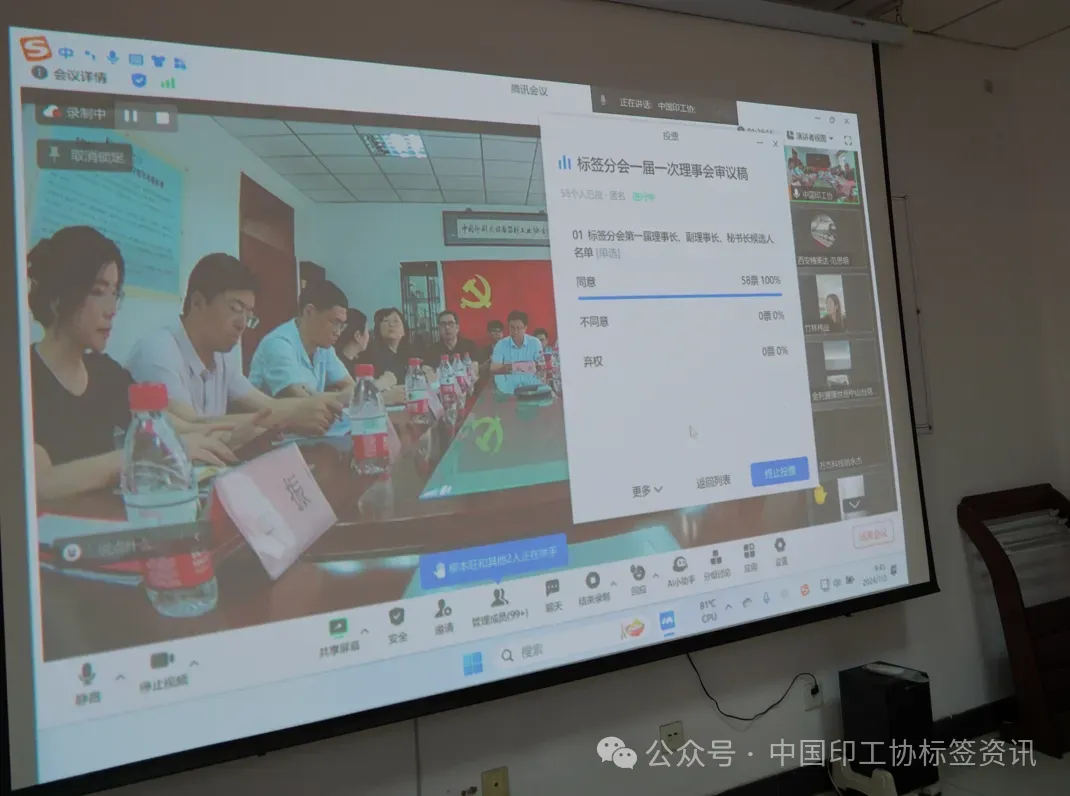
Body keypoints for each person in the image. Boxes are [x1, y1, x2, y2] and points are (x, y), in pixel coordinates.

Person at [27, 226, 238, 500]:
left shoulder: (105, 372)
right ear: (57, 298)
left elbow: (174, 425)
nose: (112, 309)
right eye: (98, 291)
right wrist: (148, 453)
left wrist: (233, 429)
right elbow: (41, 482)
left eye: (115, 293)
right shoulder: (23, 377)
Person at [126, 253, 342, 437]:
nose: (242, 324)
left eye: (248, 315)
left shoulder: (220, 357)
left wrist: (312, 407)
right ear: (197, 303)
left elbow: (267, 405)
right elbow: (189, 428)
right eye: (236, 309)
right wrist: (288, 418)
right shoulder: (158, 352)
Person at [249, 279, 355, 399]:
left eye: (341, 325)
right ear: (309, 312)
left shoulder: (323, 347)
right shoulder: (278, 344)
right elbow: (302, 400)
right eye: (334, 322)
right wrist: (341, 396)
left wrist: (340, 395)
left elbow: (351, 386)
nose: (338, 332)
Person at [359, 307, 431, 401]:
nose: (391, 324)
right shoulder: (370, 354)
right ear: (378, 328)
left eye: (395, 321)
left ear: (404, 330)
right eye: (386, 321)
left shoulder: (408, 353)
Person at [490, 310, 543, 374]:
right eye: (512, 327)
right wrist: (519, 366)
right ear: (508, 327)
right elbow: (494, 368)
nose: (515, 332)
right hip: (509, 379)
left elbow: (541, 365)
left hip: (531, 379)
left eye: (519, 328)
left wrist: (514, 366)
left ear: (525, 328)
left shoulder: (535, 343)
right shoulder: (500, 344)